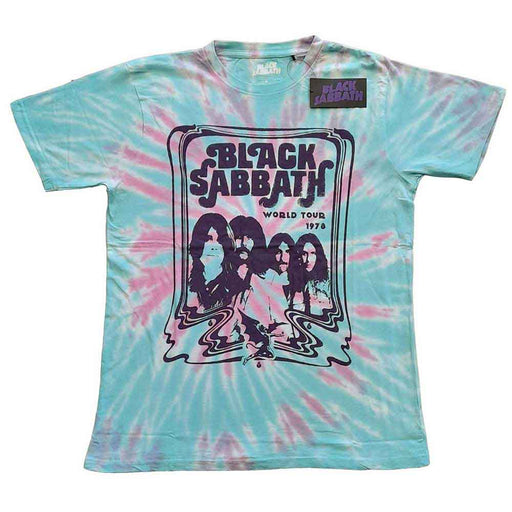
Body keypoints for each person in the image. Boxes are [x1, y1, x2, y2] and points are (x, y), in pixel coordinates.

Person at [188, 213, 235, 311]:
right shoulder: (186, 288)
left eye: (220, 240)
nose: (214, 246)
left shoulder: (236, 289)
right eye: (208, 239)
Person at [292, 233, 331, 316]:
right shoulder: (295, 279)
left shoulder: (329, 279)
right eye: (304, 254)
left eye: (313, 253)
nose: (308, 259)